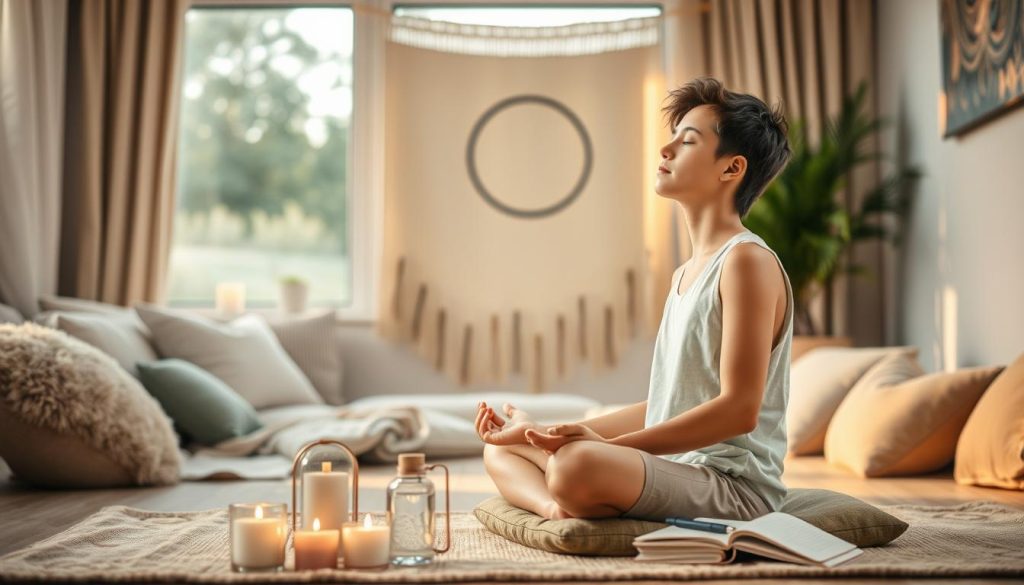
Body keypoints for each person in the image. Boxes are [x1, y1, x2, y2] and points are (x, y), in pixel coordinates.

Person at [476, 77, 794, 522]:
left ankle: (571, 482)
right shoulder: (686, 273)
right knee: (503, 450)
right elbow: (668, 403)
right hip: (671, 470)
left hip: (732, 487)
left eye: (687, 142)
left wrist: (601, 447)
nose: (665, 151)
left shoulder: (746, 262)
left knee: (579, 462)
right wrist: (540, 433)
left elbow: (739, 411)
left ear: (731, 169)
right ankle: (557, 508)